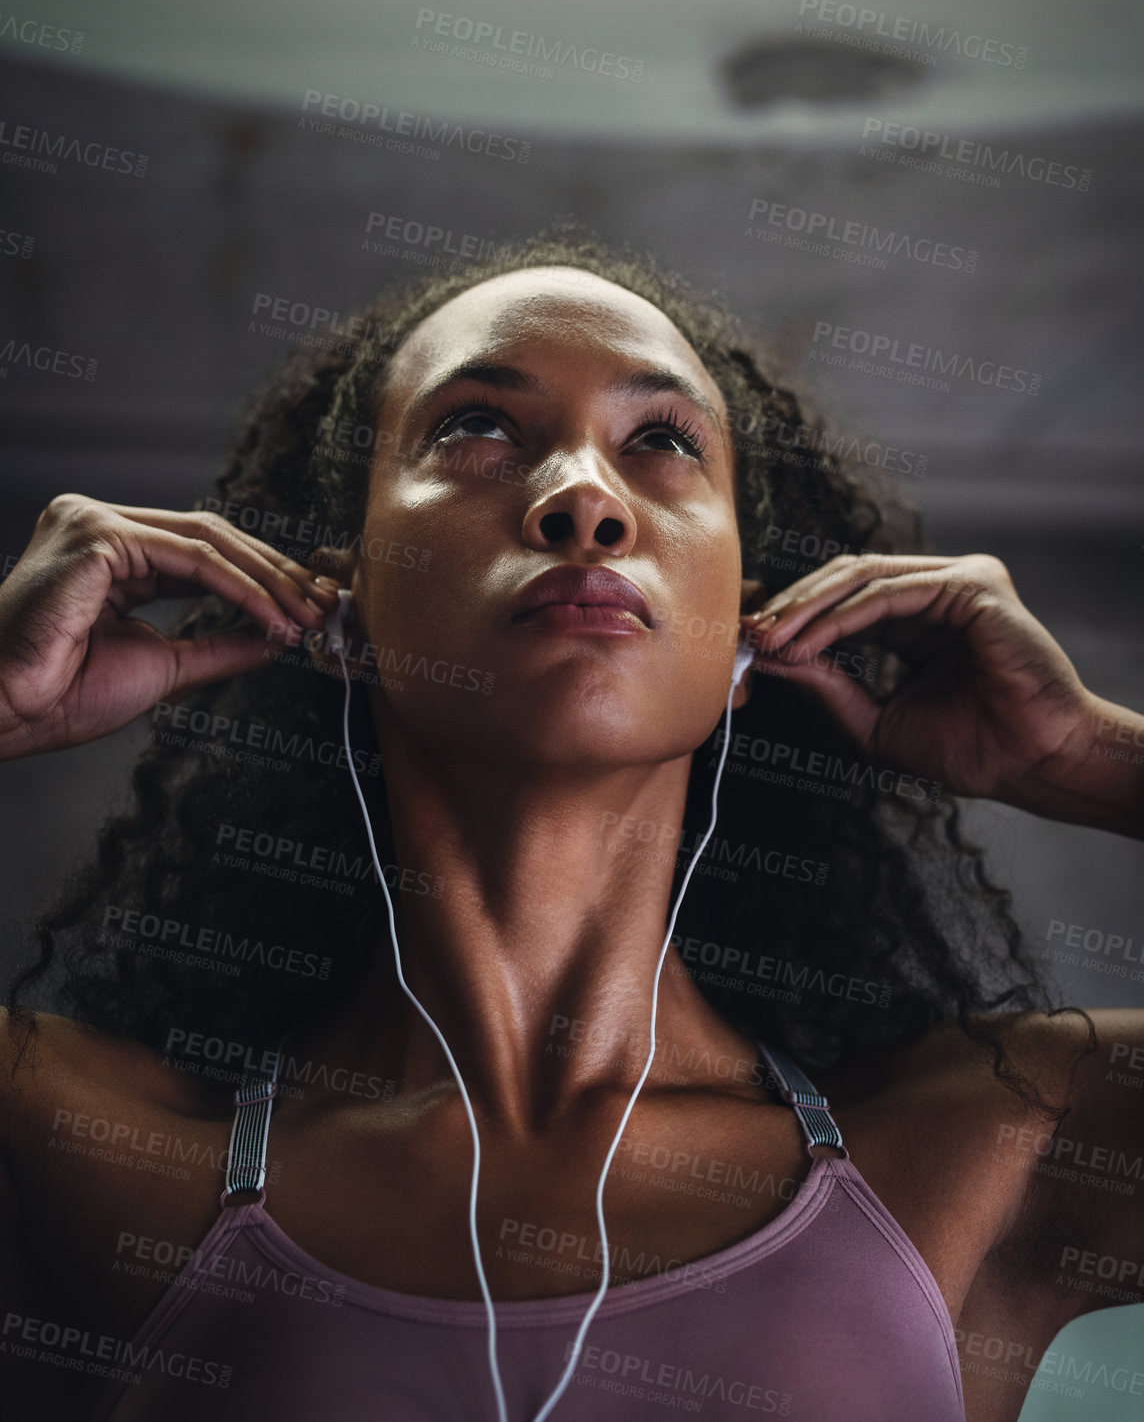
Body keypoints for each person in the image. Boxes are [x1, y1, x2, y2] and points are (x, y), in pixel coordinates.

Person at [0, 235, 1141, 1422]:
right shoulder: (83, 1147)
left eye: (659, 443)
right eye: (476, 431)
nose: (585, 500)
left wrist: (1088, 758)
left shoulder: (997, 1141)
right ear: (338, 609)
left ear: (749, 631)